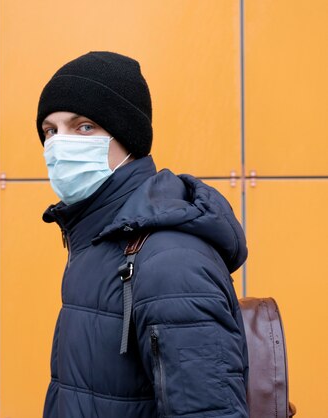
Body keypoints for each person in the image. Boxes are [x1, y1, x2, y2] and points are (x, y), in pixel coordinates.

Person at [36, 51, 249, 417]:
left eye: (83, 126)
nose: (59, 145)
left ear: (128, 136)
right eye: (50, 131)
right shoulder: (98, 242)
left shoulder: (170, 260)